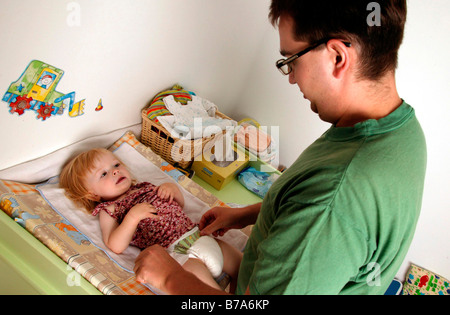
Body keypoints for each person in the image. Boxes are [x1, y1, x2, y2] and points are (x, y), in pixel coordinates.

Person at [134, 0, 427, 295]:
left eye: (291, 60)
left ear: (337, 57)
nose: (291, 77)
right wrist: (247, 215)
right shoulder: (402, 131)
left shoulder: (334, 200)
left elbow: (323, 210)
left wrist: (170, 277)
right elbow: (309, 207)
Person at [59, 148, 242, 292]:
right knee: (203, 287)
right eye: (103, 174)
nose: (115, 172)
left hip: (199, 235)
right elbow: (114, 244)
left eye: (116, 165)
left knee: (244, 264)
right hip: (178, 253)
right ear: (92, 194)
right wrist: (132, 217)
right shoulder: (110, 209)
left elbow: (179, 205)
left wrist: (172, 190)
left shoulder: (144, 186)